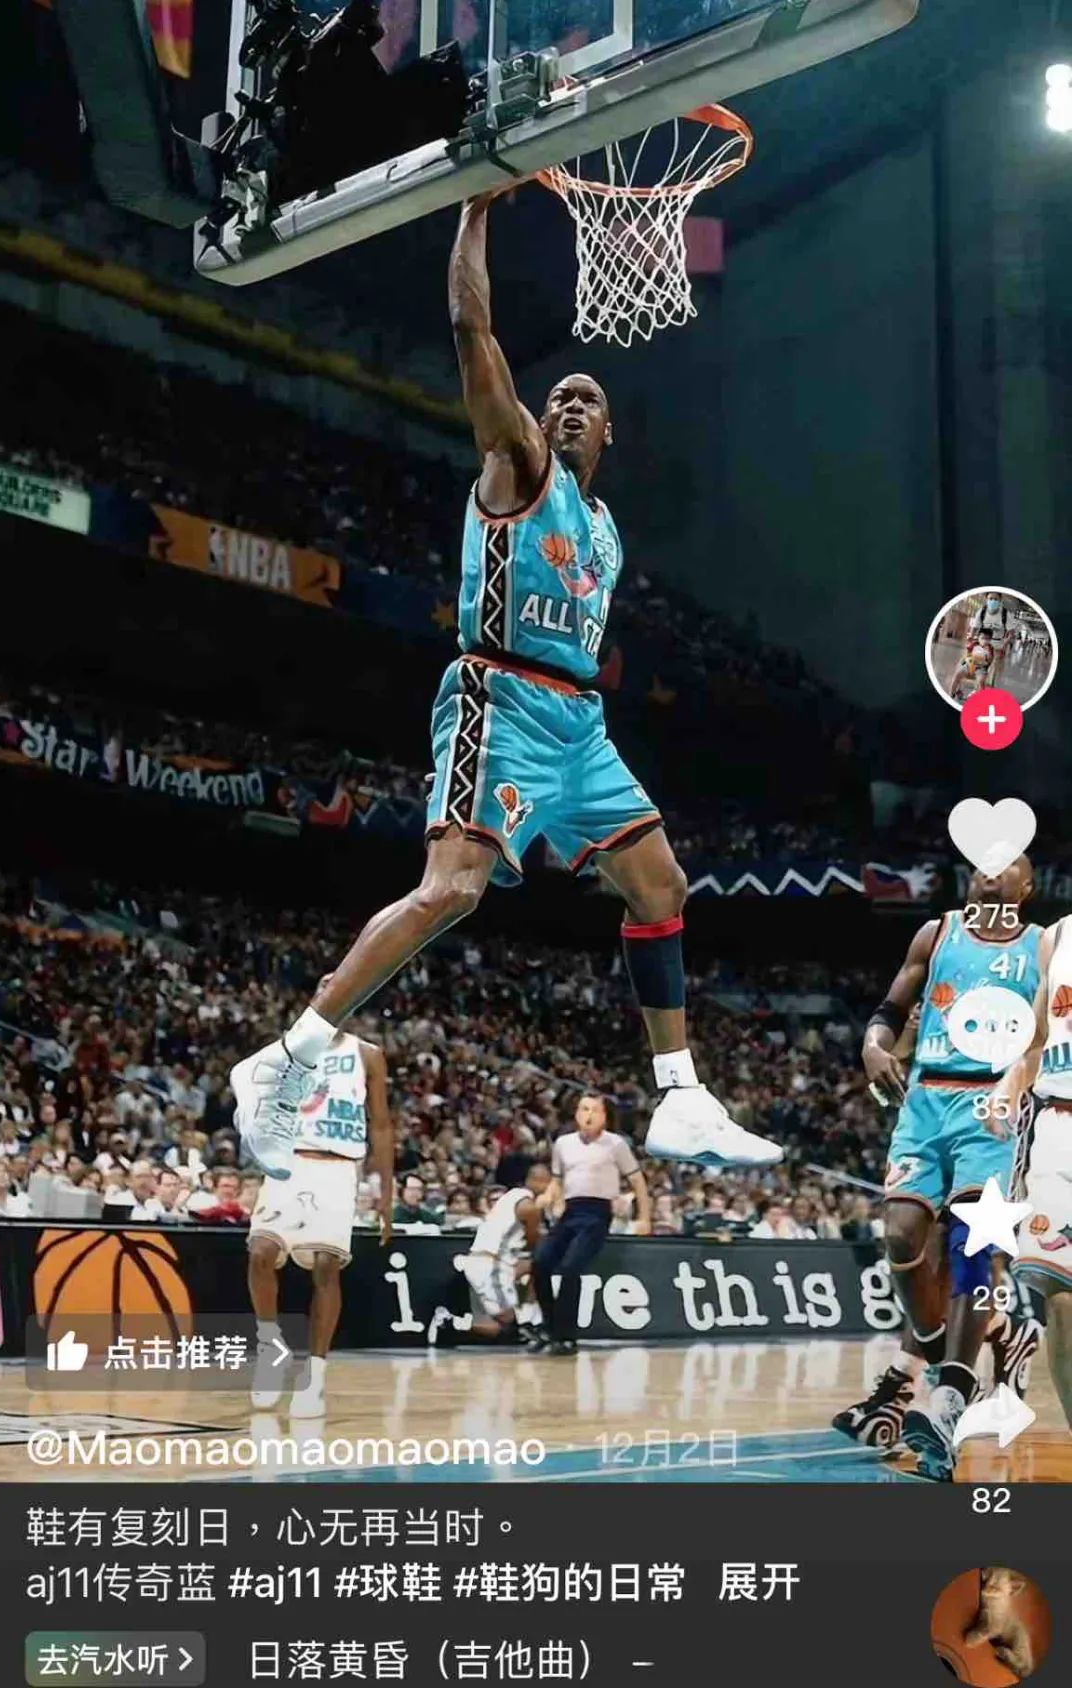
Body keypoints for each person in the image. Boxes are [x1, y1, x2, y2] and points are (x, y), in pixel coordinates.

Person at [229, 192, 781, 1181]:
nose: (566, 406)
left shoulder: (607, 531)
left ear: (609, 432)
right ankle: (285, 1059)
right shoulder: (519, 463)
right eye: (557, 394)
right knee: (451, 890)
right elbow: (469, 328)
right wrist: (475, 210)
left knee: (661, 884)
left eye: (586, 401)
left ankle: (682, 1097)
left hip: (579, 723)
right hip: (500, 699)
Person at [850, 857, 1042, 1480]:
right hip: (925, 1101)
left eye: (1007, 863)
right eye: (983, 860)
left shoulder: (1043, 946)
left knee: (973, 1249)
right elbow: (891, 1008)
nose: (991, 870)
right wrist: (873, 1046)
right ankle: (960, 1349)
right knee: (902, 1235)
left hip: (995, 1105)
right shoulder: (936, 933)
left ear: (1028, 886)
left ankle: (950, 1399)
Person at [246, 1022, 393, 1418]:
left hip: (339, 1167)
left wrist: (386, 1191)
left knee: (327, 1266)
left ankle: (314, 1376)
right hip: (290, 1161)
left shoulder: (367, 1054)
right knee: (260, 1251)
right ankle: (269, 1346)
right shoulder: (289, 1045)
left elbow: (381, 1125)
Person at [988, 914, 1072, 1429]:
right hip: (1058, 1125)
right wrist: (1010, 1082)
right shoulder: (1057, 936)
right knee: (1062, 1301)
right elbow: (1038, 1036)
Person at [533, 1093, 650, 1355]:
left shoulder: (615, 1144)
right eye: (584, 1109)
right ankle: (549, 1327)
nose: (589, 1115)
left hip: (597, 1212)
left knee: (570, 1268)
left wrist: (644, 1217)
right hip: (570, 1211)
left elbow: (638, 1181)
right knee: (540, 1263)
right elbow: (557, 1180)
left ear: (605, 1117)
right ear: (576, 1114)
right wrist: (548, 1195)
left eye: (595, 1110)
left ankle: (566, 1336)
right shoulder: (563, 1144)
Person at [432, 1163, 552, 1346]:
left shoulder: (510, 1196)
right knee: (510, 1326)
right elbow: (533, 1240)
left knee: (535, 1269)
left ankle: (532, 1322)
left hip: (485, 1261)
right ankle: (450, 1321)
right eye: (547, 1183)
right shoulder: (529, 1207)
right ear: (540, 1182)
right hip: (491, 1265)